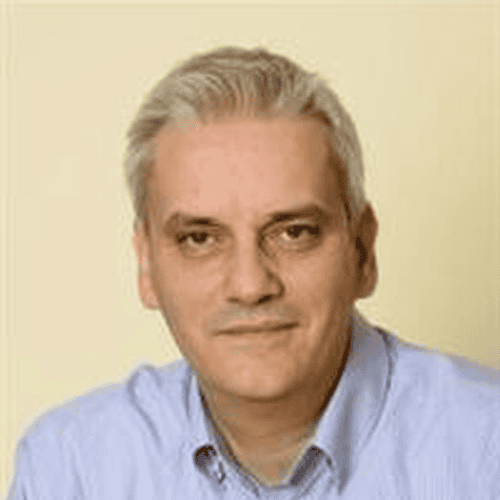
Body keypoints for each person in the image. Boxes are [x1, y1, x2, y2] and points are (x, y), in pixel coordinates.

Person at [8, 46, 500, 499]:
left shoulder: (485, 448)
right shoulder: (70, 469)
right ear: (147, 266)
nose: (250, 285)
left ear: (362, 252)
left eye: (294, 233)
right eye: (200, 239)